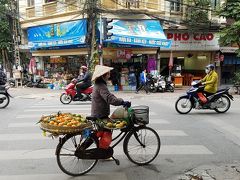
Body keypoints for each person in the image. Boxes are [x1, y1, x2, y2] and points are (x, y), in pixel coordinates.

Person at [91, 65, 131, 149]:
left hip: (98, 113)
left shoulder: (99, 85)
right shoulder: (101, 86)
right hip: (100, 115)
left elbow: (109, 96)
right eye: (107, 74)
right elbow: (110, 99)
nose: (109, 75)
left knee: (99, 133)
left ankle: (92, 148)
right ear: (103, 75)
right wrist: (122, 102)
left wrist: (118, 100)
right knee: (107, 133)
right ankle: (102, 153)